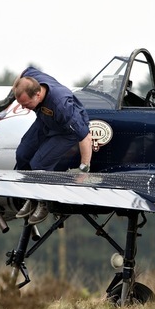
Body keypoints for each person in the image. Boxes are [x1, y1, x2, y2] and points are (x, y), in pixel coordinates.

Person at [12, 67, 93, 225]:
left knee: (39, 165)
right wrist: (8, 99)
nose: (23, 108)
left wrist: (84, 168)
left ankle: (43, 203)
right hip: (46, 120)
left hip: (65, 132)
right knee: (22, 154)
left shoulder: (62, 106)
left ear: (38, 94)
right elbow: (22, 73)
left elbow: (85, 136)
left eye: (26, 104)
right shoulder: (31, 79)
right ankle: (32, 197)